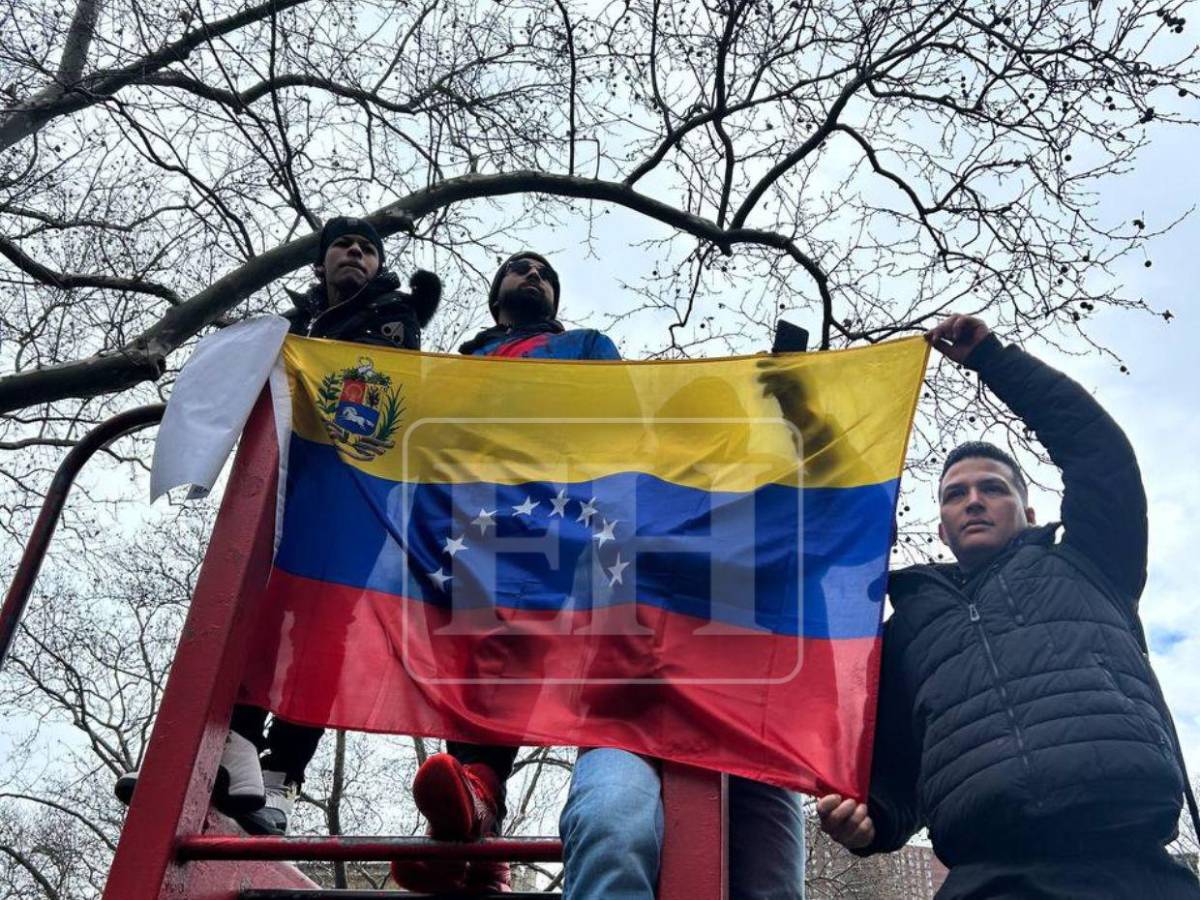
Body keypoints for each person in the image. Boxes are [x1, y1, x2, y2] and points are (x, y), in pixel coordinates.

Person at [391, 252, 808, 899]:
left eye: (543, 273)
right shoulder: (470, 369)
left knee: (765, 881)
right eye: (518, 269)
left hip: (736, 724)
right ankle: (477, 812)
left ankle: (479, 829)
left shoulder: (588, 354)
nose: (531, 278)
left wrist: (790, 407)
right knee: (492, 656)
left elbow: (822, 511)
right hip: (610, 694)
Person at [817, 315, 1200, 898]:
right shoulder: (904, 633)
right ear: (941, 530)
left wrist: (996, 360)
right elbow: (895, 781)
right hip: (987, 878)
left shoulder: (1092, 560)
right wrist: (865, 824)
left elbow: (1097, 451)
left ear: (1028, 512)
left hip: (1129, 860)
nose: (974, 501)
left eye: (993, 488)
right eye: (955, 495)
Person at [116, 216, 440, 837]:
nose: (355, 254)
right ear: (320, 264)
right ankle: (214, 745)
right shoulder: (293, 327)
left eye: (368, 249)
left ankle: (278, 774)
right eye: (343, 245)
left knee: (324, 627)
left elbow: (387, 381)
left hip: (355, 498)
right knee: (245, 606)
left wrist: (410, 318)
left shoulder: (391, 317)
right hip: (287, 488)